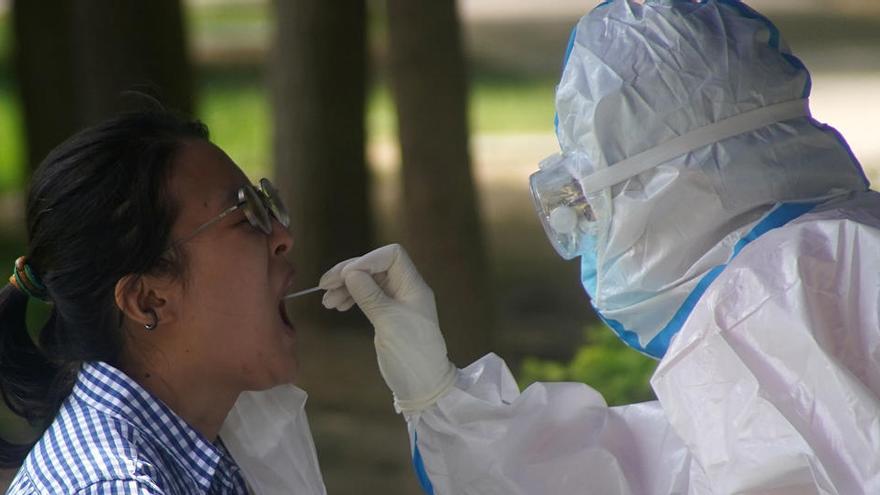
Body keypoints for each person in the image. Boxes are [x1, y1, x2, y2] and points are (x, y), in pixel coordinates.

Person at [319, 1, 880, 493]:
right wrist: (438, 395)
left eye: (591, 192)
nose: (582, 220)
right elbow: (654, 470)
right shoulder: (820, 262)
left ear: (670, 180)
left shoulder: (777, 293)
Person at [0, 111, 326, 494]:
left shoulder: (209, 448)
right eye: (246, 213)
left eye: (265, 203)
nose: (283, 235)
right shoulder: (116, 487)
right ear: (148, 300)